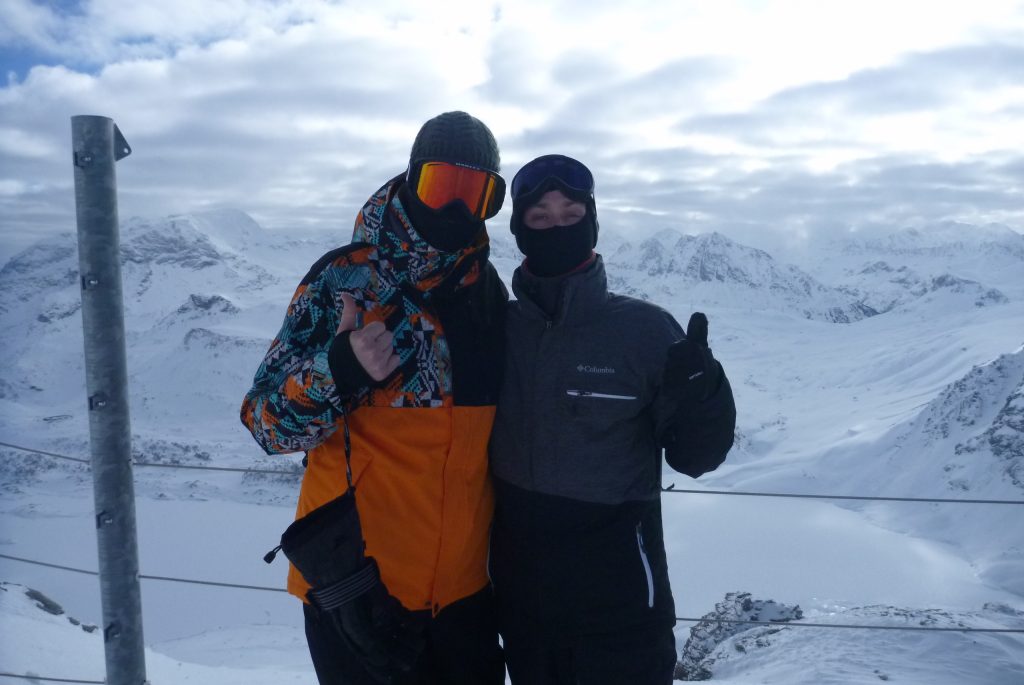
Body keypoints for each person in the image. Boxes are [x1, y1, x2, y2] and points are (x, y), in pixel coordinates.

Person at [240, 111, 508, 684]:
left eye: (476, 192)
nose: (457, 210)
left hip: (465, 600)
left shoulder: (487, 293)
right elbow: (265, 423)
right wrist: (338, 371)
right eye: (442, 186)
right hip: (357, 593)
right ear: (411, 181)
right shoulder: (343, 282)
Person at [488, 154, 737, 684]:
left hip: (622, 608)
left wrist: (705, 392)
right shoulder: (497, 330)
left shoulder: (644, 331)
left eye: (570, 213)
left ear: (593, 221)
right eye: (540, 217)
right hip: (523, 608)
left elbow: (697, 457)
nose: (557, 226)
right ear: (519, 230)